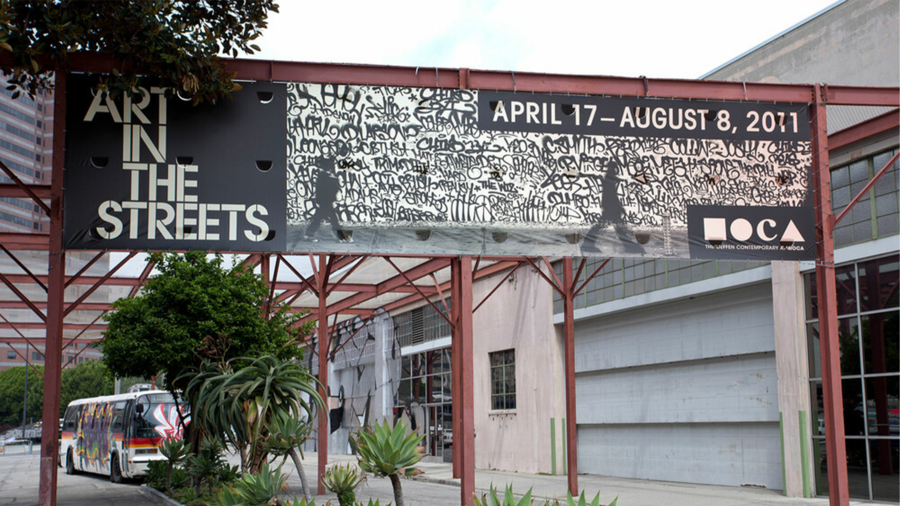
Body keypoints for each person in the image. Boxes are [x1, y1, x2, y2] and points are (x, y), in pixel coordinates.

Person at [304, 157, 345, 242]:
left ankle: (308, 234)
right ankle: (340, 237)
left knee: (319, 218)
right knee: (333, 220)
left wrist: (318, 201)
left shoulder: (321, 177)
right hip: (327, 202)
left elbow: (319, 191)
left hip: (324, 202)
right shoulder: (329, 178)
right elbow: (332, 191)